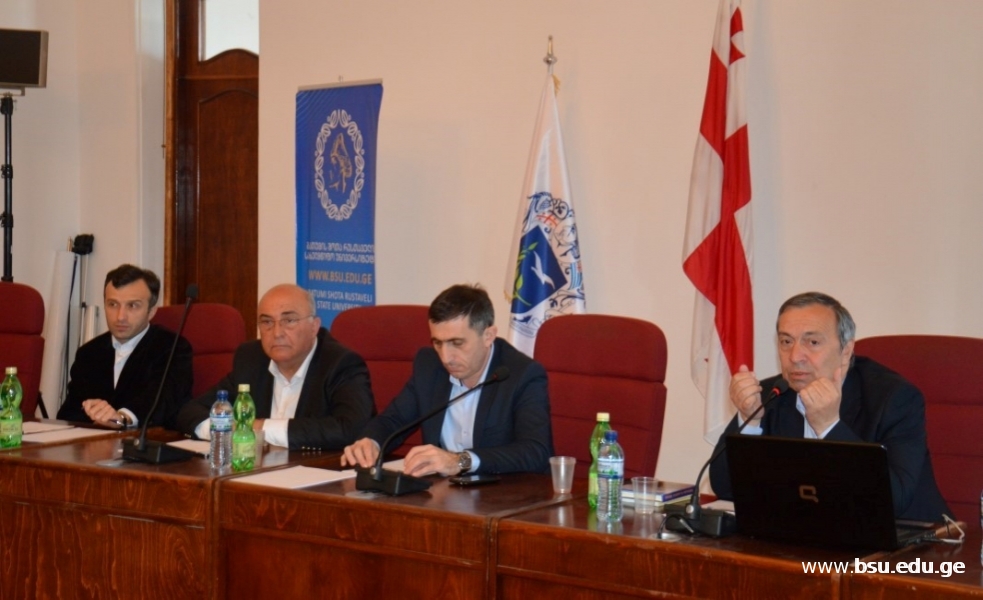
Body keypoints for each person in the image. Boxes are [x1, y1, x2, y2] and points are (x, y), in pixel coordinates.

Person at [709, 291, 951, 522]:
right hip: (810, 534)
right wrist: (750, 420)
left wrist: (829, 426)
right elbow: (724, 487)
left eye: (812, 342)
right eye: (786, 341)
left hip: (908, 541)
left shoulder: (894, 399)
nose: (795, 356)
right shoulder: (772, 395)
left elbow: (891, 501)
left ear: (845, 351)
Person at [342, 283, 553, 477]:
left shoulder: (521, 374)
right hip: (442, 493)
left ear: (488, 336)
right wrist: (371, 442)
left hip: (501, 494)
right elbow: (393, 420)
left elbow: (536, 451)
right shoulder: (429, 366)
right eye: (438, 343)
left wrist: (460, 461)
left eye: (457, 343)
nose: (445, 357)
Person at [175, 284, 374, 450]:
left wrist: (260, 428)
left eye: (289, 320)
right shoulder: (251, 359)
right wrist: (226, 430)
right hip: (255, 471)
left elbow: (352, 428)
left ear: (314, 326)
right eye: (267, 322)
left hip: (314, 474)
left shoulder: (340, 363)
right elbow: (191, 411)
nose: (277, 332)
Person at [57, 264, 192, 428]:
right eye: (113, 304)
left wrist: (121, 418)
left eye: (133, 305)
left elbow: (162, 401)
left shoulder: (172, 347)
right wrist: (91, 411)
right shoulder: (89, 353)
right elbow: (69, 412)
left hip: (150, 441)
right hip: (94, 441)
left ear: (151, 311)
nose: (120, 317)